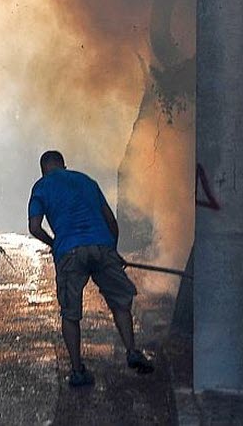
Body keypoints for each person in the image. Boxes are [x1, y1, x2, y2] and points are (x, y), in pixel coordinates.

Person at [27, 150, 154, 387]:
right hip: (101, 245)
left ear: (44, 169)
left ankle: (77, 371)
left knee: (70, 313)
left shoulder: (41, 187)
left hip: (70, 253)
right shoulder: (86, 181)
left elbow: (34, 227)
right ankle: (132, 351)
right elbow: (111, 221)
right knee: (120, 302)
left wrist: (55, 244)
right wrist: (112, 251)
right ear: (64, 166)